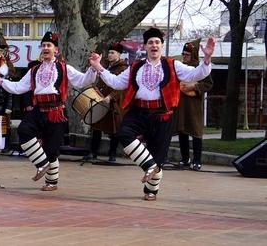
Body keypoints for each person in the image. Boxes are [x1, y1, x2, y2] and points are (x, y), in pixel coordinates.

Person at [89, 28, 215, 201]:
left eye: (157, 42)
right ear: (145, 46)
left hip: (163, 115)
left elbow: (196, 74)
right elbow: (117, 83)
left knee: (158, 156)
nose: (154, 45)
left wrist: (207, 58)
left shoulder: (173, 65)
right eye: (150, 42)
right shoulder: (136, 67)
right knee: (124, 133)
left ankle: (151, 191)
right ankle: (150, 166)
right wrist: (98, 67)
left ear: (161, 46)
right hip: (139, 111)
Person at [0, 32, 97, 191]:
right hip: (38, 110)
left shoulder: (64, 68)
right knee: (24, 130)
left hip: (56, 111)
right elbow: (18, 87)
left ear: (56, 50)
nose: (46, 48)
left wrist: (94, 67)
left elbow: (83, 81)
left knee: (51, 149)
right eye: (43, 46)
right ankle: (41, 164)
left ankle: (51, 182)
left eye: (49, 45)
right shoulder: (34, 70)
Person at [174, 39, 213, 171]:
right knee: (182, 131)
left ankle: (197, 160)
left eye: (187, 54)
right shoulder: (179, 68)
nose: (184, 56)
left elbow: (208, 83)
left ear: (194, 55)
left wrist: (194, 85)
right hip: (181, 105)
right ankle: (185, 159)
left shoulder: (200, 68)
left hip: (194, 105)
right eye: (183, 54)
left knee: (196, 133)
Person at [85, 42, 128, 162]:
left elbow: (121, 86)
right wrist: (95, 89)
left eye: (112, 53)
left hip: (114, 102)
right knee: (96, 127)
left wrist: (110, 96)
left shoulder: (123, 68)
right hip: (101, 99)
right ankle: (93, 152)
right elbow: (100, 81)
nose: (109, 55)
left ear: (119, 54)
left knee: (114, 129)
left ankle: (112, 154)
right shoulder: (105, 66)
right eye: (109, 52)